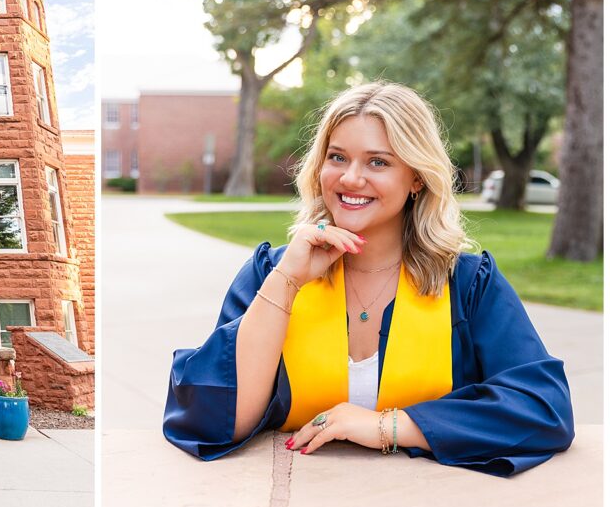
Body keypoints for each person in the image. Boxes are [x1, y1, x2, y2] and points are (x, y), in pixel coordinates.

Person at [163, 82, 574, 477]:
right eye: (337, 157)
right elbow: (215, 418)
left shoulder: (466, 285)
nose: (350, 179)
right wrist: (287, 280)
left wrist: (387, 428)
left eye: (378, 162)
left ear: (416, 178)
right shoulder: (270, 273)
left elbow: (542, 407)